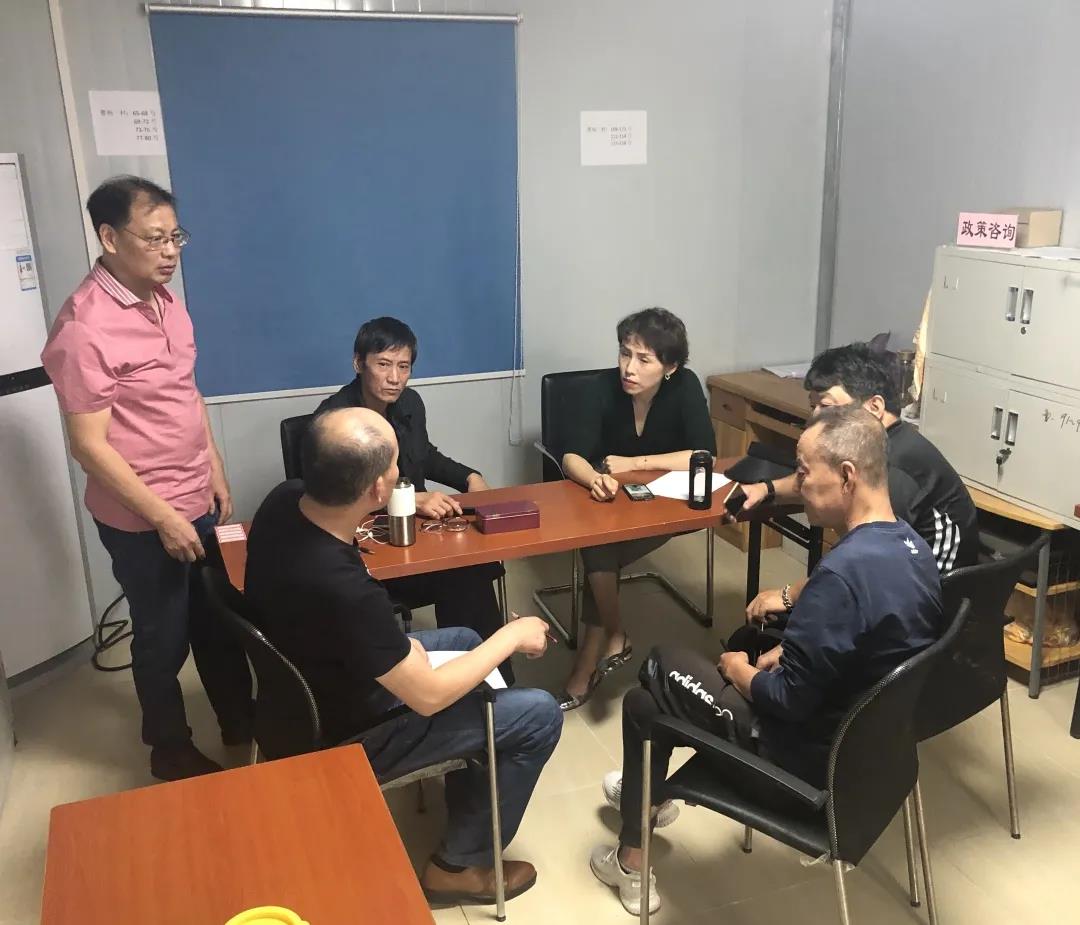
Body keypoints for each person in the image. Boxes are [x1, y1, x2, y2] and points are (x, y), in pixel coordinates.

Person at [590, 405, 943, 915]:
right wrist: (795, 651)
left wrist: (738, 670)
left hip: (800, 772)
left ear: (847, 476)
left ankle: (635, 841)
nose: (798, 484)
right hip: (872, 761)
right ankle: (645, 809)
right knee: (654, 706)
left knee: (657, 674)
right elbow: (867, 646)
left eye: (804, 472)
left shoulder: (841, 574)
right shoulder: (913, 548)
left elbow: (785, 700)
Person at [244, 408, 563, 906]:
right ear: (377, 489)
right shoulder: (344, 590)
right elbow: (428, 696)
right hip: (337, 733)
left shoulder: (283, 500)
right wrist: (512, 635)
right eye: (395, 465)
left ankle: (473, 782)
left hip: (300, 688)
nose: (400, 472)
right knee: (538, 713)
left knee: (463, 637)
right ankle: (456, 868)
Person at [40, 176, 252, 781]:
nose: (169, 252)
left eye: (175, 237)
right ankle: (169, 748)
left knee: (218, 618)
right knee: (163, 635)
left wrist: (213, 465)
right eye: (154, 238)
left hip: (195, 494)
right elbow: (88, 445)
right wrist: (163, 515)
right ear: (109, 238)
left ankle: (240, 719)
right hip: (142, 518)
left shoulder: (166, 301)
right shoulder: (84, 326)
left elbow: (186, 392)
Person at [315, 317, 511, 678]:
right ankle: (456, 682)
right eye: (383, 364)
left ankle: (489, 683)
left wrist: (469, 476)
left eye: (403, 367)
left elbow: (425, 455)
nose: (394, 378)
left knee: (470, 569)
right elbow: (327, 497)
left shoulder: (410, 403)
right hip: (364, 556)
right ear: (358, 363)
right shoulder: (335, 419)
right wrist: (409, 499)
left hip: (415, 542)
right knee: (462, 577)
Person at [740, 342, 977, 626]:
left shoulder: (894, 469)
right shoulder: (873, 446)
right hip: (895, 583)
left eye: (827, 406)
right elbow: (817, 480)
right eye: (813, 407)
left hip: (926, 609)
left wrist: (790, 596)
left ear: (874, 406)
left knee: (792, 622)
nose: (815, 417)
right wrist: (767, 489)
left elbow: (860, 562)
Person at [557, 308, 716, 711]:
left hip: (670, 504)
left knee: (598, 552)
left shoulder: (685, 386)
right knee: (600, 545)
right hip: (613, 505)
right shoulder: (600, 388)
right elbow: (571, 455)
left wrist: (635, 463)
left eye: (644, 359)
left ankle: (598, 650)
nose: (629, 368)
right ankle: (611, 636)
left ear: (670, 367)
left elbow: (703, 454)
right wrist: (593, 479)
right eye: (625, 353)